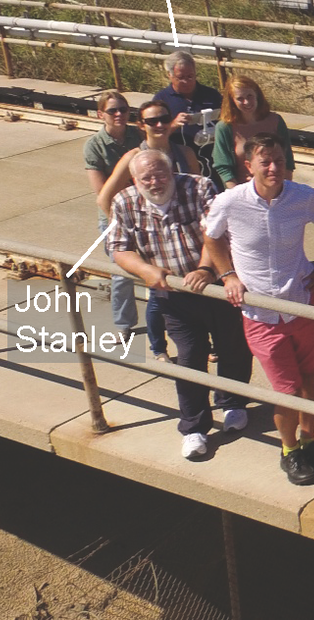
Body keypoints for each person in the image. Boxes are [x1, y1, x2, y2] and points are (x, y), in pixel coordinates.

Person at [204, 134, 314, 486]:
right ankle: (289, 450)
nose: (273, 168)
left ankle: (310, 442)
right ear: (248, 166)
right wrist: (227, 275)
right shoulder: (230, 202)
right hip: (261, 314)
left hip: (302, 302)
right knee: (287, 390)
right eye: (265, 162)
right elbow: (210, 236)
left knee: (311, 379)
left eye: (279, 161)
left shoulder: (302, 197)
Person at [106, 150, 254, 459]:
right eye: (146, 177)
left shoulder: (198, 186)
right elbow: (118, 248)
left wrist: (205, 269)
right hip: (172, 294)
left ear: (172, 171)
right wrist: (147, 271)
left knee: (233, 347)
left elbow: (217, 232)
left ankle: (233, 402)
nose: (155, 182)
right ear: (136, 180)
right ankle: (194, 427)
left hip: (215, 286)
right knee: (189, 357)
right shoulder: (124, 202)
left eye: (161, 174)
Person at [96, 99, 202, 363]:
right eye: (151, 121)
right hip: (147, 231)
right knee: (158, 290)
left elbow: (200, 190)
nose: (159, 125)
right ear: (141, 125)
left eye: (163, 119)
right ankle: (158, 347)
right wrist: (130, 228)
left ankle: (202, 340)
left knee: (190, 289)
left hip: (180, 230)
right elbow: (104, 197)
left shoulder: (184, 154)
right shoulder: (133, 158)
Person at [84, 90, 142, 345]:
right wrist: (117, 226)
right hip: (114, 216)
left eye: (124, 110)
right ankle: (124, 324)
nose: (119, 115)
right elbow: (102, 193)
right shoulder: (94, 146)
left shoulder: (137, 136)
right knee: (122, 273)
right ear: (100, 114)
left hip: (143, 211)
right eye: (112, 111)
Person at [212, 75, 295, 188]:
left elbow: (288, 159)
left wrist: (286, 189)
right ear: (232, 101)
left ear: (257, 95)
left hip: (276, 187)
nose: (246, 102)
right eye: (240, 99)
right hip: (244, 188)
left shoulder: (275, 121)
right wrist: (236, 194)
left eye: (249, 96)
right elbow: (223, 167)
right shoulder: (225, 128)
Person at [154, 50, 223, 181]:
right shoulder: (161, 100)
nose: (186, 82)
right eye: (180, 78)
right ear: (169, 75)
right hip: (180, 158)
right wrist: (174, 124)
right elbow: (153, 134)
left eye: (190, 76)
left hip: (212, 154)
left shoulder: (211, 95)